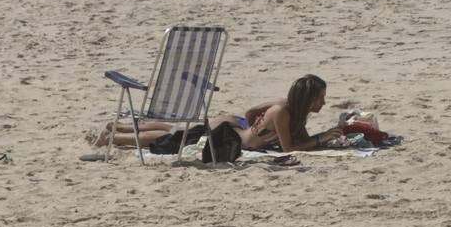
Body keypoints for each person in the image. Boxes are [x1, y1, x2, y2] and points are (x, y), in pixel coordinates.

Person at [88, 74, 344, 153]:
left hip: (236, 125)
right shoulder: (282, 111)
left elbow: (251, 111)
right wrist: (322, 139)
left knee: (175, 130)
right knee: (174, 136)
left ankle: (118, 127)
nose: (323, 102)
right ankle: (114, 137)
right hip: (229, 135)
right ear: (308, 98)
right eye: (320, 98)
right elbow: (291, 148)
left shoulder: (287, 107)